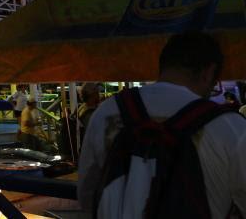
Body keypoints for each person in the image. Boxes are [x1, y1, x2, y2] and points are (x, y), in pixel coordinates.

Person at [78, 32, 246, 217]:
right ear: (208, 72)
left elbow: (88, 193)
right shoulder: (230, 126)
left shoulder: (106, 112)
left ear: (163, 66)